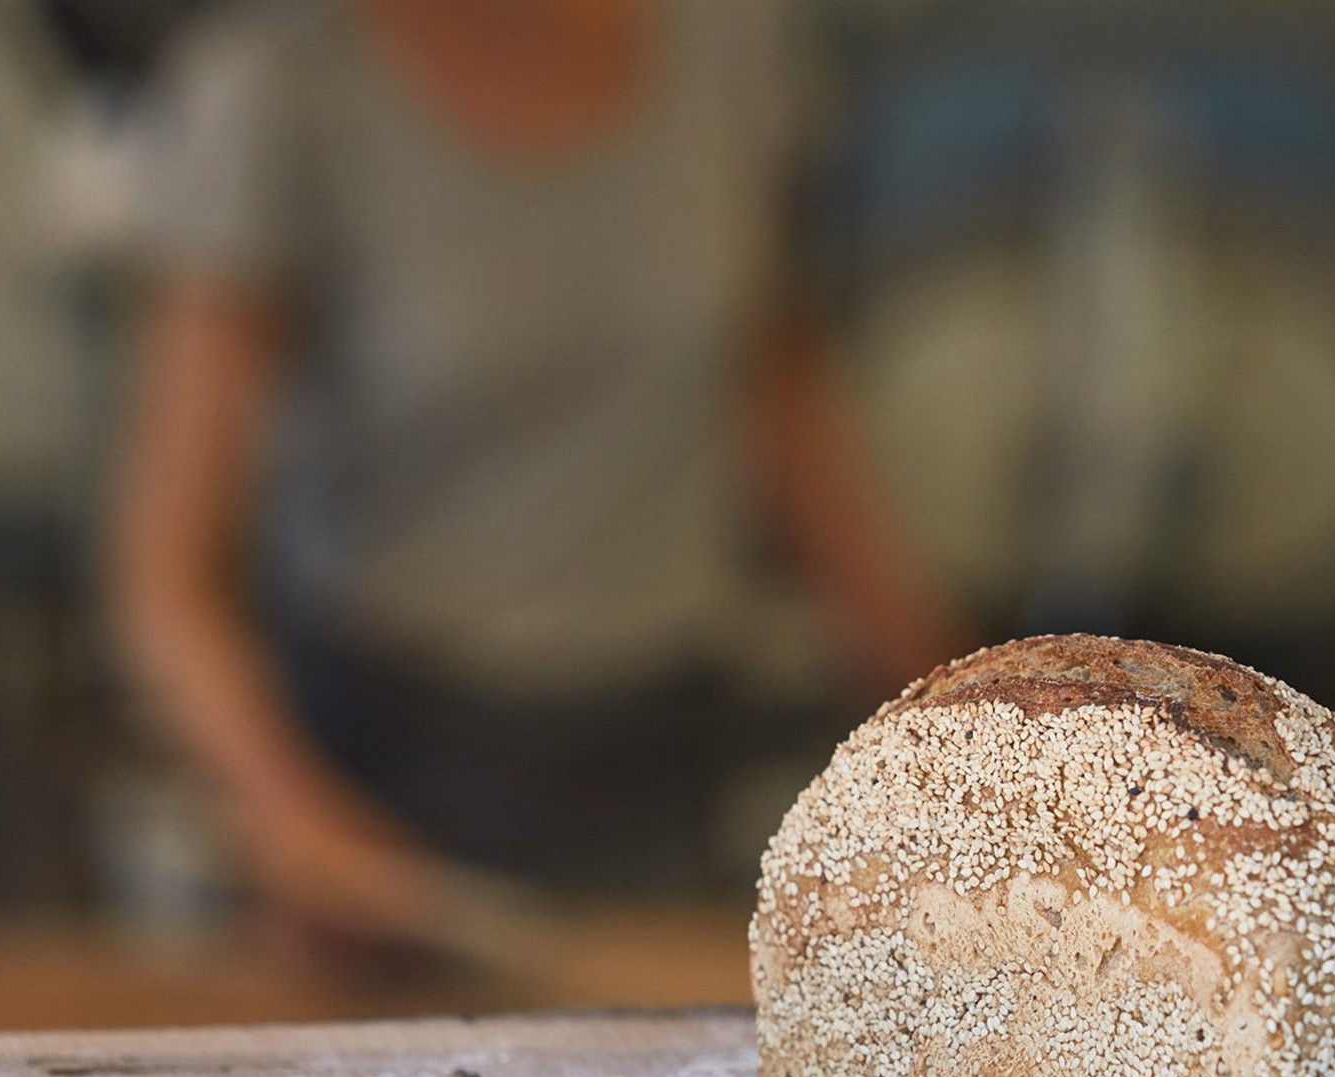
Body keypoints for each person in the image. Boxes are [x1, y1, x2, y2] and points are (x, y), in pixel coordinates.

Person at [113, 0, 966, 952]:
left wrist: (955, 720)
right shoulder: (280, 83)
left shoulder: (728, 44)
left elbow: (781, 392)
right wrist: (293, 812)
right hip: (389, 771)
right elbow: (168, 579)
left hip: (665, 748)